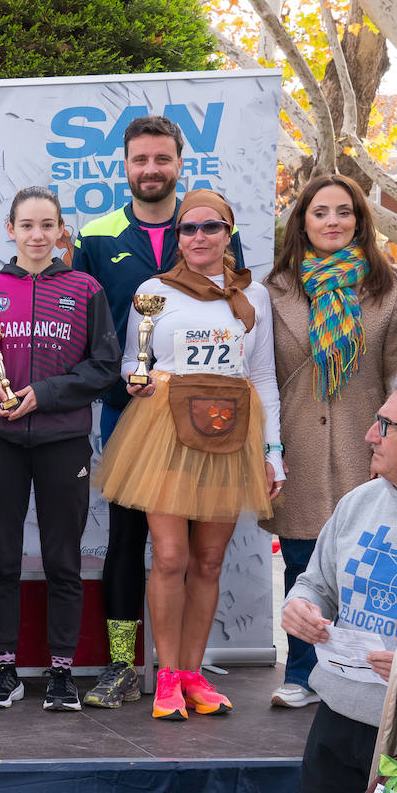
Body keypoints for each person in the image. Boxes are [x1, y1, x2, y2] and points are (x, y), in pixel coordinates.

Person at [72, 115, 248, 710]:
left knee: (198, 550)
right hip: (130, 416)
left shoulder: (206, 224)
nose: (151, 169)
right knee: (127, 539)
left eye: (162, 159)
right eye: (139, 160)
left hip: (210, 421)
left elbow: (235, 309)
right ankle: (124, 665)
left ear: (180, 162)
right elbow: (89, 333)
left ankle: (184, 671)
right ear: (123, 166)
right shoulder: (95, 236)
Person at [95, 188, 281, 721]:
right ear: (177, 237)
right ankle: (166, 675)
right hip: (167, 428)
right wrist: (139, 380)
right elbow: (135, 358)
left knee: (209, 559)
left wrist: (275, 452)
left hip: (232, 429)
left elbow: (263, 376)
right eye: (188, 229)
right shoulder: (153, 291)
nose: (199, 237)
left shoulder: (255, 297)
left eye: (210, 227)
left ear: (229, 233)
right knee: (171, 556)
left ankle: (194, 675)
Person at [0, 187, 120, 711]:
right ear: (11, 230)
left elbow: (103, 367)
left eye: (48, 225)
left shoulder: (85, 289)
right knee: (1, 558)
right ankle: (5, 670)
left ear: (61, 231)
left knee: (62, 559)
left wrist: (43, 396)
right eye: (27, 225)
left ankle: (62, 673)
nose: (38, 235)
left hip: (63, 441)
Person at [264, 174, 397, 710]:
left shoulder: (389, 288)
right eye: (320, 212)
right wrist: (265, 451)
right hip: (297, 445)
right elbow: (262, 376)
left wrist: (395, 449)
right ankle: (304, 673)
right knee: (305, 563)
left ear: (359, 220)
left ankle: (373, 670)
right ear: (301, 220)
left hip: (364, 445)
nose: (332, 222)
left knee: (367, 565)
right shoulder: (273, 290)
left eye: (343, 212)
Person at [282, 376, 397, 793]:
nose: (369, 436)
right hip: (336, 725)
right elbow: (316, 584)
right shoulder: (359, 502)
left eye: (385, 426)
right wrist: (300, 607)